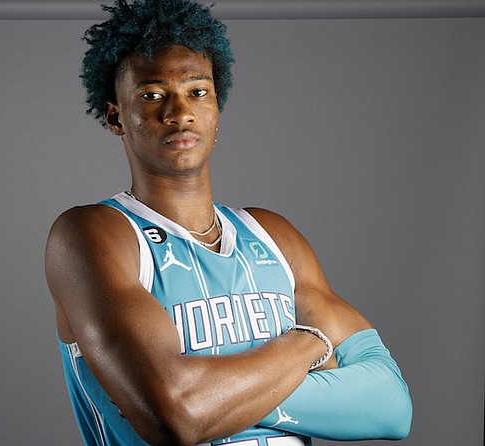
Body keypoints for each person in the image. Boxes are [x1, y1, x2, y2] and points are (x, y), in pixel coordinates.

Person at [45, 0, 413, 445]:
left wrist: (223, 398)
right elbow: (178, 416)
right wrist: (306, 345)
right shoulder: (94, 236)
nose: (179, 111)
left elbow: (391, 406)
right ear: (116, 117)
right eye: (152, 94)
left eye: (197, 91)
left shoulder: (273, 235)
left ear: (217, 110)